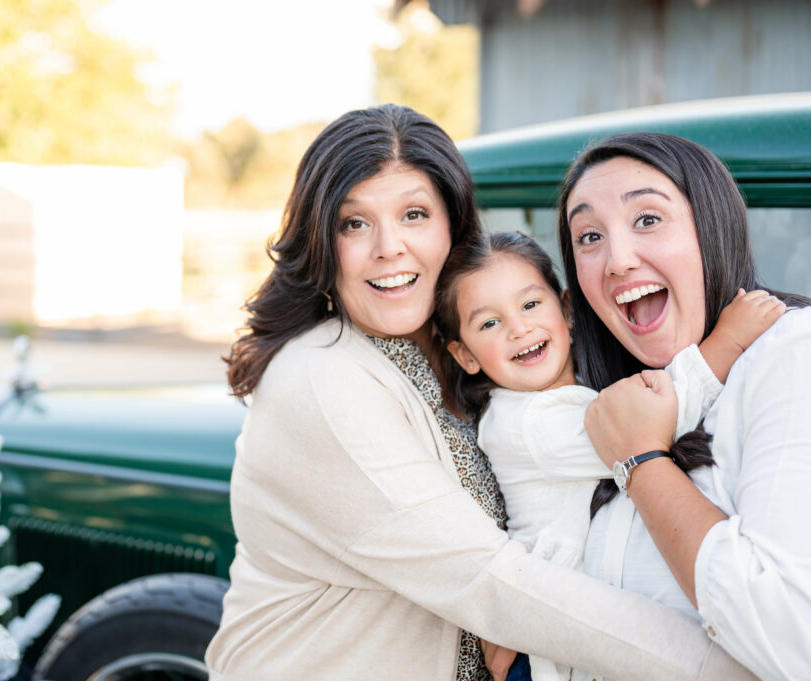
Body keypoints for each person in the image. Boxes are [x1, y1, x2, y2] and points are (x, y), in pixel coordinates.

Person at [205, 105, 756, 681]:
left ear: (454, 226)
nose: (389, 247)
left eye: (414, 214)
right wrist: (732, 667)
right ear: (321, 238)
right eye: (354, 223)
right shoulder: (321, 380)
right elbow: (489, 583)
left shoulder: (468, 353)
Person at [433, 230, 783, 681]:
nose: (519, 328)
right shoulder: (524, 423)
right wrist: (726, 343)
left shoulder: (583, 386)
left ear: (566, 309)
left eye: (530, 305)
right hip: (549, 655)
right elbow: (645, 423)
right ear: (465, 355)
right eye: (488, 324)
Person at [557, 131, 811, 681]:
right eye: (589, 236)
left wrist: (643, 463)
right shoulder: (599, 403)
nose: (618, 260)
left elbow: (794, 635)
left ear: (711, 228)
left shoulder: (792, 354)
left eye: (647, 219)